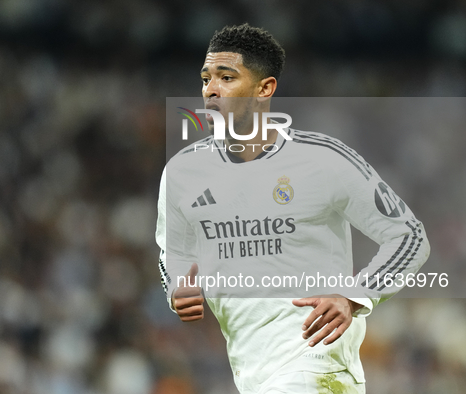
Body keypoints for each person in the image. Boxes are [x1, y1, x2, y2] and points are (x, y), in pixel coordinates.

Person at [156, 24, 430, 393]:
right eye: (206, 79)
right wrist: (177, 286)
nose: (211, 90)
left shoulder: (323, 159)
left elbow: (408, 235)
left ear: (265, 88)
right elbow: (172, 252)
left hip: (316, 364)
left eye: (227, 77)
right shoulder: (182, 173)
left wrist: (355, 293)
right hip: (253, 374)